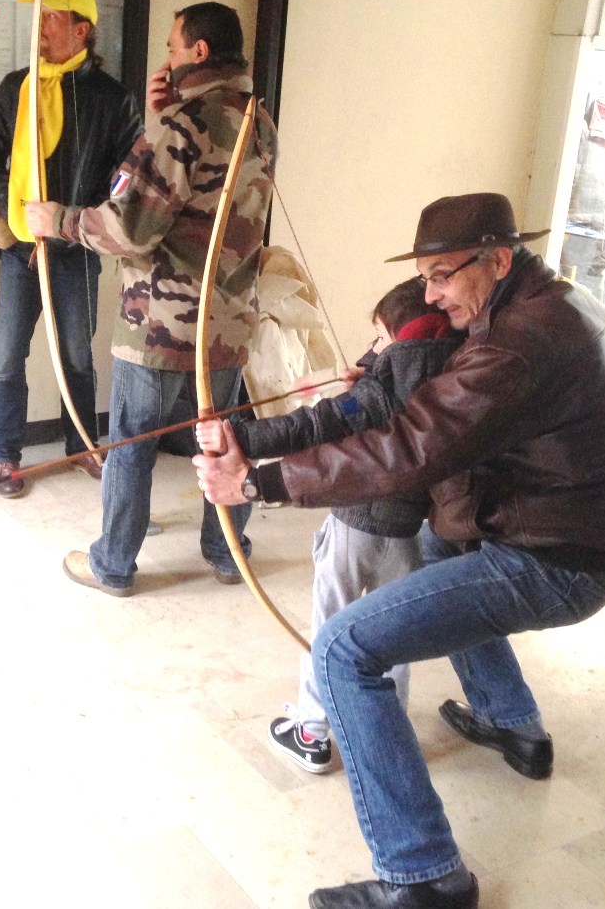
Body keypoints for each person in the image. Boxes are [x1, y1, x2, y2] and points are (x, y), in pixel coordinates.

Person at [193, 192, 605, 909]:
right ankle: (509, 720)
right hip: (577, 530)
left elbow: (410, 447)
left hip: (557, 558)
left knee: (343, 651)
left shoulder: (518, 343)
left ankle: (425, 875)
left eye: (442, 276)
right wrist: (272, 429)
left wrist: (259, 483)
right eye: (426, 279)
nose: (430, 295)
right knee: (439, 545)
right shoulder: (552, 304)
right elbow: (406, 412)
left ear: (498, 261)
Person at [25, 1, 279, 594]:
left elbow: (130, 227)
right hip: (228, 322)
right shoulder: (258, 119)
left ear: (199, 52)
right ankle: (228, 553)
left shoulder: (183, 125)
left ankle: (113, 564)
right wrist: (163, 115)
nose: (167, 57)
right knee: (223, 439)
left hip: (161, 321)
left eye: (173, 47)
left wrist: (56, 219)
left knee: (132, 444)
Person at [197, 278, 459, 774]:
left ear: (403, 338)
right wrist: (372, 371)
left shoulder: (380, 393)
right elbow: (390, 382)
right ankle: (388, 732)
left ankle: (311, 731)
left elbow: (315, 424)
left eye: (379, 338)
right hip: (408, 532)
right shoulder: (452, 375)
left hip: (354, 528)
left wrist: (237, 436)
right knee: (395, 634)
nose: (372, 349)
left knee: (330, 627)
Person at [0, 0, 143, 498]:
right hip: (21, 250)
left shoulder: (112, 99)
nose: (41, 26)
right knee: (7, 356)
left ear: (81, 29)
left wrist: (82, 218)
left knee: (76, 356)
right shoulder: (17, 88)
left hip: (77, 251)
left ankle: (83, 445)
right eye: (39, 16)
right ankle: (5, 455)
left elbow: (130, 174)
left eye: (51, 16)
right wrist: (16, 208)